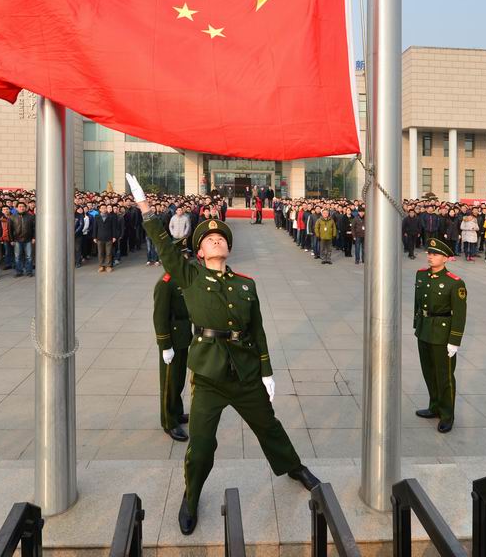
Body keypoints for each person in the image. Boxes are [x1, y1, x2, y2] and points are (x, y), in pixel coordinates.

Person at [129, 173, 319, 536]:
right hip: (209, 375)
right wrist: (145, 208)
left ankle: (295, 468)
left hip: (245, 372)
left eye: (221, 238)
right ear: (200, 252)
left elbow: (257, 329)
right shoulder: (190, 276)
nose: (216, 240)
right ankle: (191, 496)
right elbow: (165, 246)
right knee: (201, 445)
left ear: (228, 248)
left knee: (269, 427)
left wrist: (266, 371)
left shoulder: (246, 284)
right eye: (208, 239)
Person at [413, 238, 467, 433]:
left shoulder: (455, 282)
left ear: (445, 258)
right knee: (429, 373)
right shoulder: (421, 275)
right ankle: (434, 406)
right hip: (424, 330)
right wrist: (417, 324)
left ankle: (447, 415)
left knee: (444, 377)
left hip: (442, 334)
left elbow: (459, 315)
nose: (430, 256)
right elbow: (418, 302)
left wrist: (454, 341)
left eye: (435, 254)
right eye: (429, 253)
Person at [154, 253, 193, 442]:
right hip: (172, 339)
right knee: (169, 383)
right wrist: (165, 345)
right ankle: (168, 422)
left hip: (183, 336)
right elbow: (159, 317)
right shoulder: (165, 283)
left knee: (178, 380)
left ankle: (177, 412)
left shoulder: (181, 279)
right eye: (181, 256)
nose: (185, 260)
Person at [9, 202, 36, 277]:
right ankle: (19, 272)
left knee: (29, 257)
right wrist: (11, 240)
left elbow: (34, 228)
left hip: (28, 239)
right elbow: (10, 229)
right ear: (16, 208)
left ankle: (29, 271)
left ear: (25, 207)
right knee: (17, 257)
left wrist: (34, 237)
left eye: (23, 206)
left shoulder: (30, 216)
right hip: (17, 240)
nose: (22, 208)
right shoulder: (12, 217)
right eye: (20, 206)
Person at [93, 203, 118, 272]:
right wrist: (94, 237)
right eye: (102, 208)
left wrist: (114, 236)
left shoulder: (111, 216)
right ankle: (101, 266)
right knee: (100, 253)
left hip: (109, 237)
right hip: (99, 237)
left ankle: (108, 266)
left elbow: (114, 227)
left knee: (109, 252)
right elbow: (95, 227)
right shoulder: (97, 217)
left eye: (105, 208)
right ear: (100, 209)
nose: (104, 209)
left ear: (107, 209)